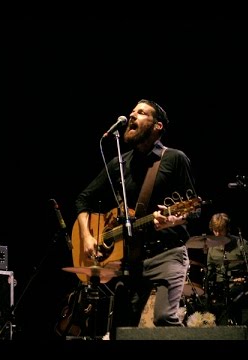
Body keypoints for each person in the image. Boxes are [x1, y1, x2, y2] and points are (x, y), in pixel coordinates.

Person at [75, 99, 200, 335]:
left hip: (168, 254)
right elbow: (83, 199)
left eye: (141, 113)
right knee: (120, 328)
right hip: (132, 259)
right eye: (132, 112)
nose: (132, 116)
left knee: (164, 319)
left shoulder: (174, 159)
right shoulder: (118, 164)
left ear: (157, 126)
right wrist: (88, 236)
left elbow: (195, 210)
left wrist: (173, 220)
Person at [206, 212, 248, 325]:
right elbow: (209, 271)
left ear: (227, 228)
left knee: (232, 296)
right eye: (215, 230)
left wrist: (243, 278)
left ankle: (235, 327)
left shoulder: (241, 243)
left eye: (221, 230)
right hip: (220, 286)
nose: (217, 233)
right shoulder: (211, 247)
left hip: (238, 285)